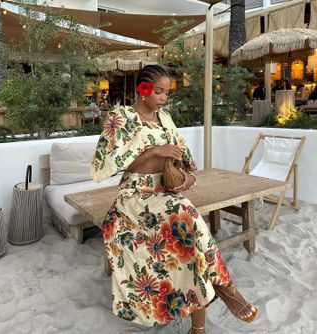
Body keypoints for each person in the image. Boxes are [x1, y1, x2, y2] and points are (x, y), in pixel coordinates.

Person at [90, 65, 257, 333]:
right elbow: (109, 163)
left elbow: (185, 160)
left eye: (167, 92)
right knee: (188, 219)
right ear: (142, 89)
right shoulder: (122, 116)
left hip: (166, 190)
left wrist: (188, 178)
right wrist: (153, 150)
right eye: (158, 91)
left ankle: (204, 318)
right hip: (135, 194)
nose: (164, 97)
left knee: (190, 241)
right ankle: (225, 288)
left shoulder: (165, 119)